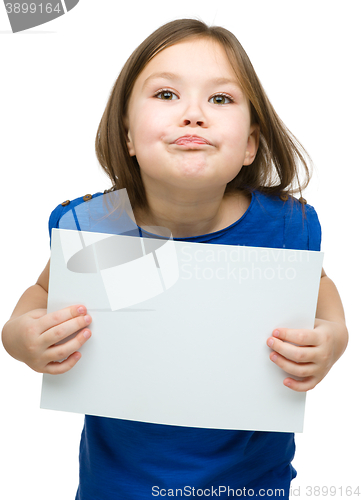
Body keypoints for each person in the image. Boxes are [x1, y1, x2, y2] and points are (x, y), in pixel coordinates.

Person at [1, 18, 348, 500]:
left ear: (250, 143)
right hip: (115, 488)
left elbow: (320, 285)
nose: (193, 114)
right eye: (166, 95)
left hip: (252, 488)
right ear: (127, 135)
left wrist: (333, 336)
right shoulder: (93, 225)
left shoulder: (288, 228)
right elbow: (41, 291)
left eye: (220, 99)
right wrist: (19, 335)